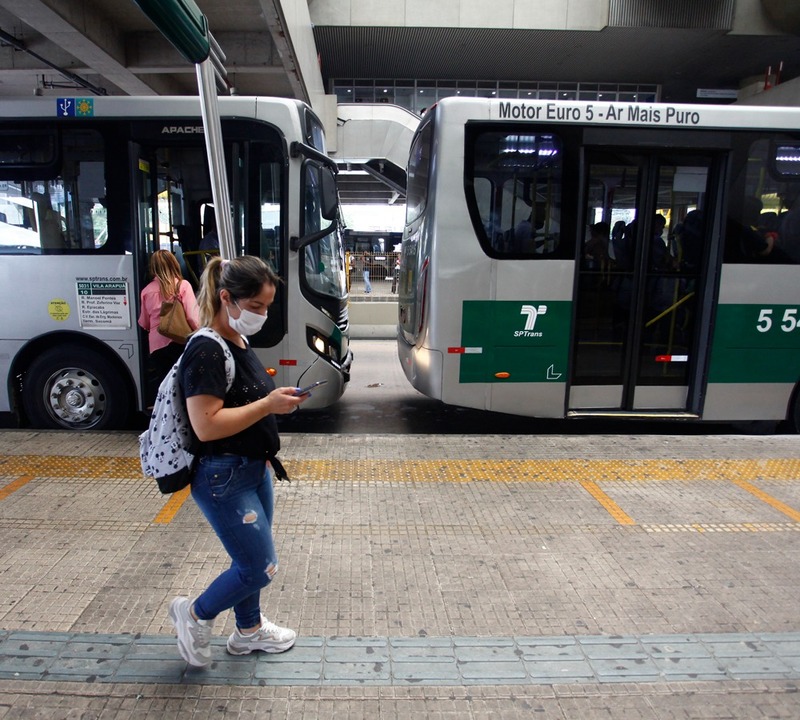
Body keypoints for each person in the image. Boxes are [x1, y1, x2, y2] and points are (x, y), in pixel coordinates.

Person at [168, 255, 310, 668]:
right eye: (257, 307)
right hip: (223, 477)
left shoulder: (238, 342)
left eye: (267, 306)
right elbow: (207, 426)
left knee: (248, 560)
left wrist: (274, 407)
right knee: (260, 567)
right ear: (227, 298)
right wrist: (268, 404)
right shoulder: (206, 351)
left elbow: (243, 405)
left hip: (252, 469)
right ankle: (194, 614)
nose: (263, 315)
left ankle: (248, 632)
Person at [138, 250, 199, 407]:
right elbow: (193, 316)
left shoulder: (146, 291)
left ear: (153, 268)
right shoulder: (182, 286)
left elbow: (144, 322)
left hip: (157, 345)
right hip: (180, 341)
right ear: (174, 264)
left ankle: (166, 417)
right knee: (184, 382)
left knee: (164, 384)